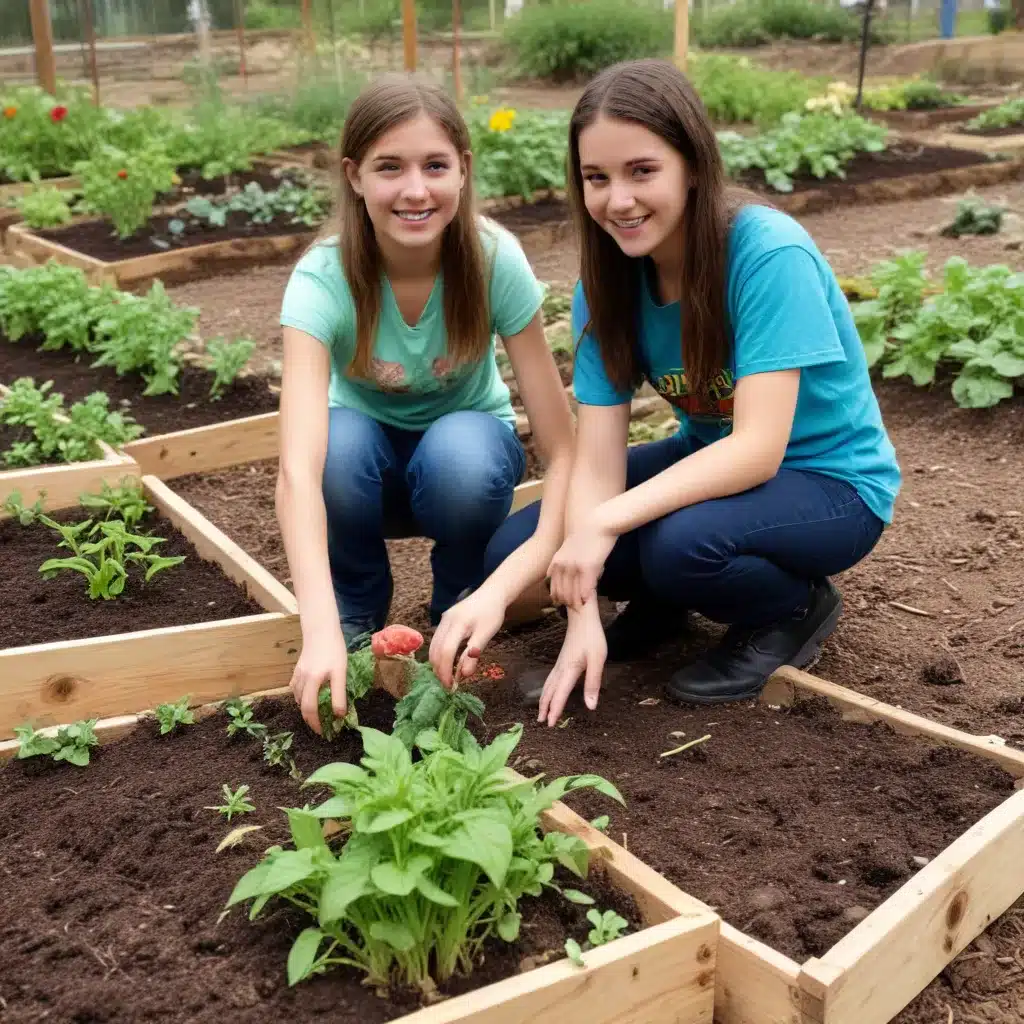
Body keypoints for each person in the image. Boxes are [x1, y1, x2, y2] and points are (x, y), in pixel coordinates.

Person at [482, 59, 902, 727]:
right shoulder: (609, 285)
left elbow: (758, 451)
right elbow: (597, 461)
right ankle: (663, 609)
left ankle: (793, 609)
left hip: (831, 483)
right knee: (521, 549)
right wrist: (581, 615)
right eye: (597, 178)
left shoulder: (766, 253)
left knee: (678, 544)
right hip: (713, 462)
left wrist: (607, 521)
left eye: (642, 171)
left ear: (693, 165)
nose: (618, 199)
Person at [276, 74, 575, 734]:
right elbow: (297, 469)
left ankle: (459, 605)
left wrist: (508, 588)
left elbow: (562, 447)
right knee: (337, 447)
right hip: (361, 475)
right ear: (355, 177)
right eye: (390, 167)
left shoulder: (493, 260)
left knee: (463, 459)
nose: (415, 190)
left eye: (435, 165)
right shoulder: (324, 277)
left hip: (459, 463)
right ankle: (355, 603)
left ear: (464, 170)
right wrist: (316, 625)